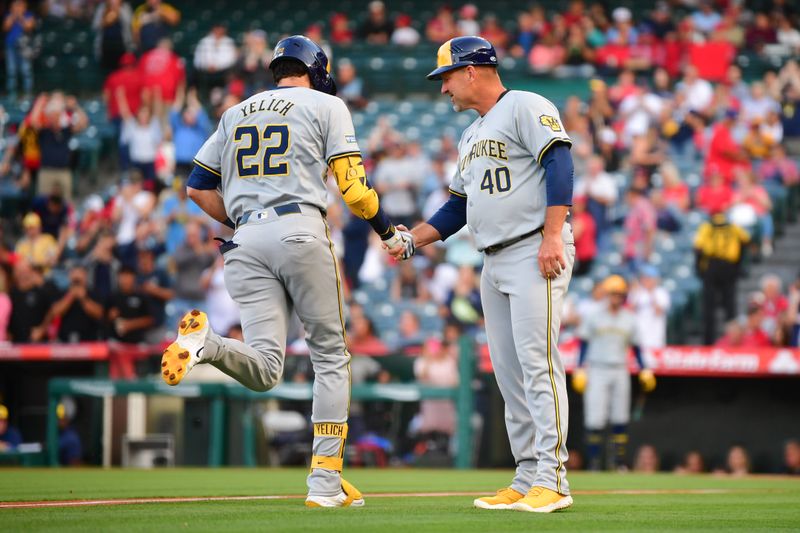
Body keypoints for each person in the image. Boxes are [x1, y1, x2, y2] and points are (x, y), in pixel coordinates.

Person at [161, 35, 408, 508]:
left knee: (267, 368)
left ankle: (207, 345)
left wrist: (246, 222)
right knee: (330, 358)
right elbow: (354, 191)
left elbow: (195, 187)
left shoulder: (235, 112)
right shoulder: (325, 104)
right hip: (299, 229)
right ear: (316, 71)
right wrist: (385, 231)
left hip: (243, 240)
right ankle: (324, 483)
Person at [387, 36, 576, 513]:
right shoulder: (470, 135)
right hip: (492, 258)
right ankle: (527, 474)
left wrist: (553, 234)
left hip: (535, 246)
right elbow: (459, 206)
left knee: (538, 365)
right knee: (510, 377)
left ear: (472, 71)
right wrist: (415, 239)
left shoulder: (525, 105)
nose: (443, 89)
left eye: (446, 77)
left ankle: (554, 479)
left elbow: (560, 161)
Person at [572, 275, 656, 472]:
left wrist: (644, 368)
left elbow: (636, 347)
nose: (616, 298)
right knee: (595, 417)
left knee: (620, 416)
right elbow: (583, 343)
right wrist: (579, 367)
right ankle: (594, 462)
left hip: (620, 368)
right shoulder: (594, 315)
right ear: (607, 294)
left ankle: (618, 463)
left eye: (620, 294)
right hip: (598, 367)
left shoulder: (629, 318)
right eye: (613, 294)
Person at [694, 212, 750, 344]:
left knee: (710, 307)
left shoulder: (707, 227)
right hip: (728, 267)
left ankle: (708, 343)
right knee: (730, 308)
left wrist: (699, 269)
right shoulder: (733, 227)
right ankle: (731, 341)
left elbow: (698, 248)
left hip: (712, 267)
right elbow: (746, 241)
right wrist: (739, 266)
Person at [49, 265, 105, 342]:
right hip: (65, 340)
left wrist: (83, 299)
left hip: (89, 341)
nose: (77, 278)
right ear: (69, 277)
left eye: (80, 275)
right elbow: (55, 312)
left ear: (85, 277)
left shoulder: (93, 293)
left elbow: (99, 314)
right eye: (74, 275)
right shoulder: (61, 293)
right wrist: (70, 297)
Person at [3, 0, 35, 99]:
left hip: (24, 46)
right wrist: (13, 16)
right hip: (11, 46)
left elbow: (28, 27)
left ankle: (27, 93)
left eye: (20, 5)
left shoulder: (29, 15)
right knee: (11, 71)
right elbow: (5, 27)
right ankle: (12, 94)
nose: (18, 8)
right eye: (16, 6)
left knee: (26, 70)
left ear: (24, 7)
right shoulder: (8, 15)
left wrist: (20, 17)